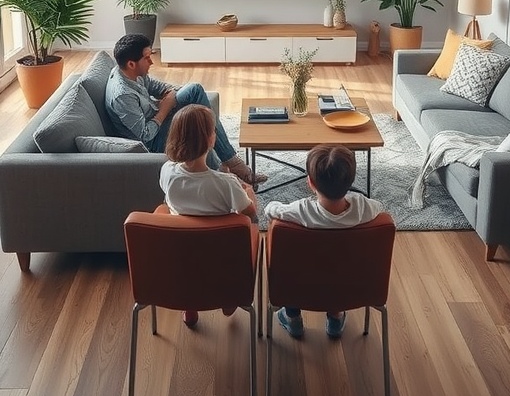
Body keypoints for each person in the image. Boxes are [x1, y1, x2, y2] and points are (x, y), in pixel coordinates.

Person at [105, 33, 266, 186]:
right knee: (198, 126)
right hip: (153, 140)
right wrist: (164, 109)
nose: (152, 62)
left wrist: (171, 94)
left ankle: (230, 163)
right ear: (131, 64)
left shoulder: (130, 72)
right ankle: (225, 172)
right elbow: (145, 136)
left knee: (194, 91)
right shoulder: (122, 95)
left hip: (158, 117)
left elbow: (157, 87)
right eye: (147, 58)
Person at [264, 144, 385, 339]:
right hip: (350, 286)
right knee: (339, 263)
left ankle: (292, 317)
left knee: (292, 261)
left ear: (310, 182)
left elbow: (270, 209)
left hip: (300, 287)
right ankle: (336, 317)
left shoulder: (300, 211)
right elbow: (380, 207)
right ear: (351, 180)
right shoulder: (365, 208)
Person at [160, 103, 258, 328]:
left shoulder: (167, 172)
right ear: (210, 140)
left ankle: (190, 303)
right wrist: (248, 191)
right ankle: (228, 294)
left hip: (181, 254)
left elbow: (167, 199)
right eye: (214, 131)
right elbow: (251, 214)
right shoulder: (227, 184)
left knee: (180, 224)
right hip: (221, 258)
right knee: (246, 225)